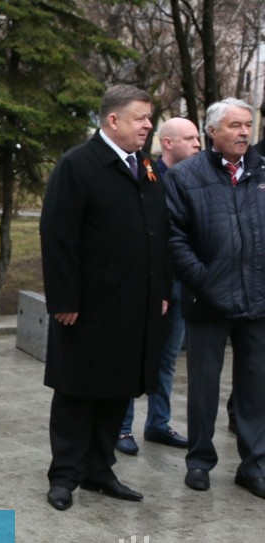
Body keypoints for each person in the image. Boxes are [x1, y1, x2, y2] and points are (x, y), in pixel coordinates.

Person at [39, 84, 169, 511]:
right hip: (87, 307)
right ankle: (65, 475)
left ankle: (99, 469)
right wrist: (64, 300)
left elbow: (158, 235)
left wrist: (162, 291)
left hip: (135, 306)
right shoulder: (78, 165)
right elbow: (58, 236)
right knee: (78, 391)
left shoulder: (144, 168)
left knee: (118, 389)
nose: (148, 125)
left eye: (150, 118)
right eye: (140, 118)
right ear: (113, 120)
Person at [166, 98, 265, 498]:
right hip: (207, 301)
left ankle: (254, 465)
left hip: (258, 301)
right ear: (212, 132)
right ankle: (200, 461)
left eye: (248, 125)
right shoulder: (186, 176)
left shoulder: (262, 171)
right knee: (204, 387)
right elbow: (174, 238)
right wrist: (204, 280)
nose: (244, 133)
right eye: (235, 126)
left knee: (256, 388)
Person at [115, 116, 200, 455]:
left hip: (183, 282)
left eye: (198, 138)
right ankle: (121, 428)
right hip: (151, 284)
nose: (197, 144)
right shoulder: (147, 176)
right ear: (168, 143)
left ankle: (158, 423)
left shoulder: (196, 179)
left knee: (167, 359)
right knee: (135, 355)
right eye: (190, 138)